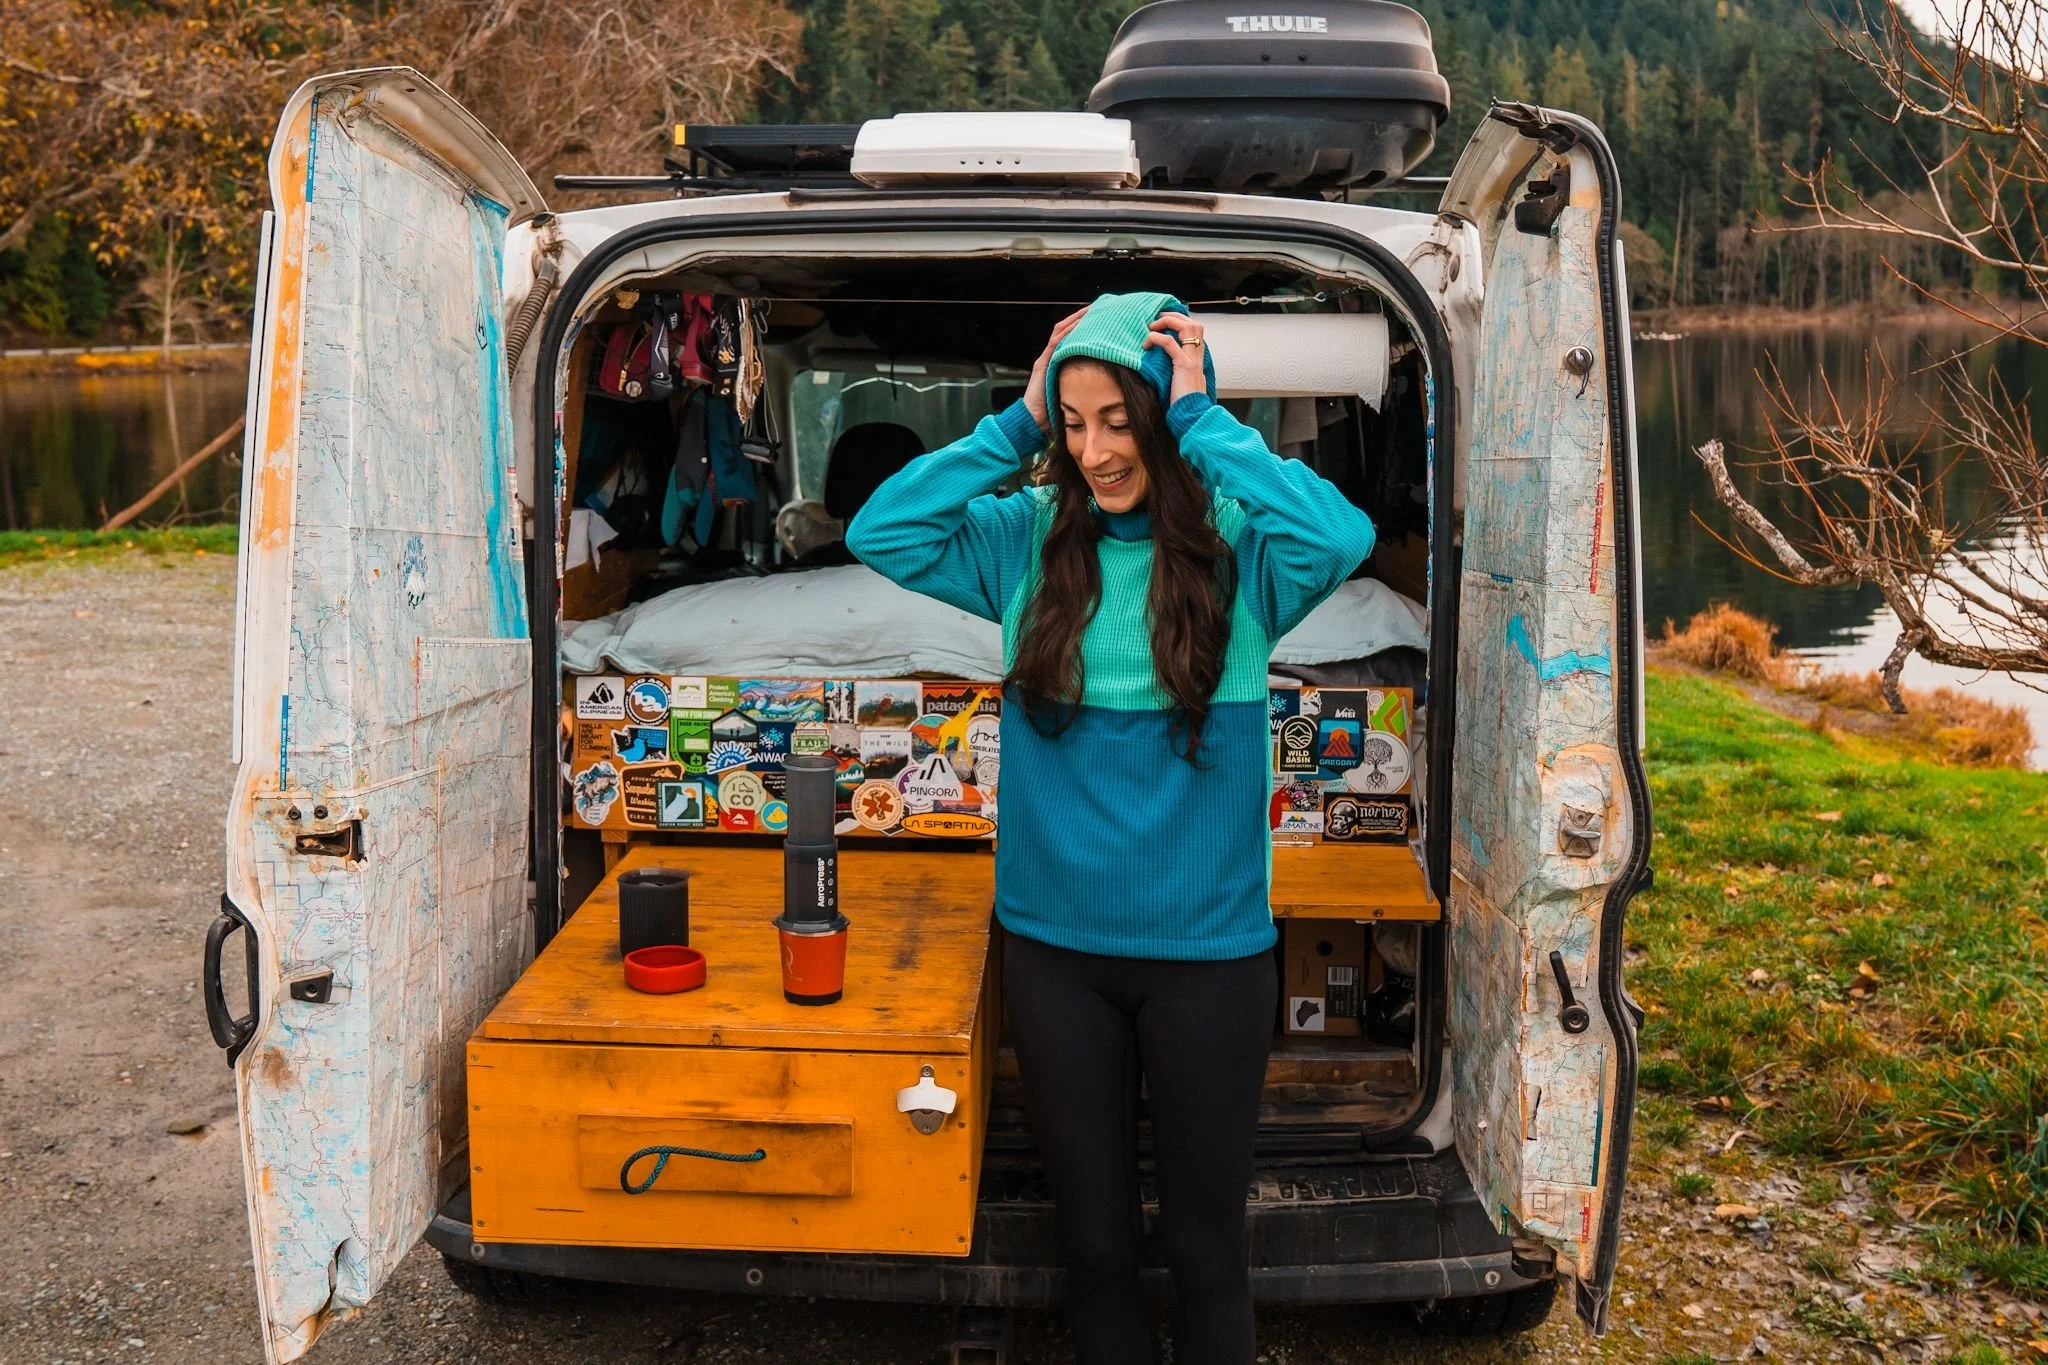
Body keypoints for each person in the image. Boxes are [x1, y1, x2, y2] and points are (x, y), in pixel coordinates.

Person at [846, 293, 1375, 1365]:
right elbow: (879, 528)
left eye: (1115, 420)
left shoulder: (1244, 555)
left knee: (1205, 1250)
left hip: (1209, 957)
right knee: (1092, 1247)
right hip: (1054, 952)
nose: (1092, 450)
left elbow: (1342, 532)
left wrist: (1202, 421)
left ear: (1159, 414)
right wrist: (1016, 422)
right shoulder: (1020, 542)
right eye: (1073, 422)